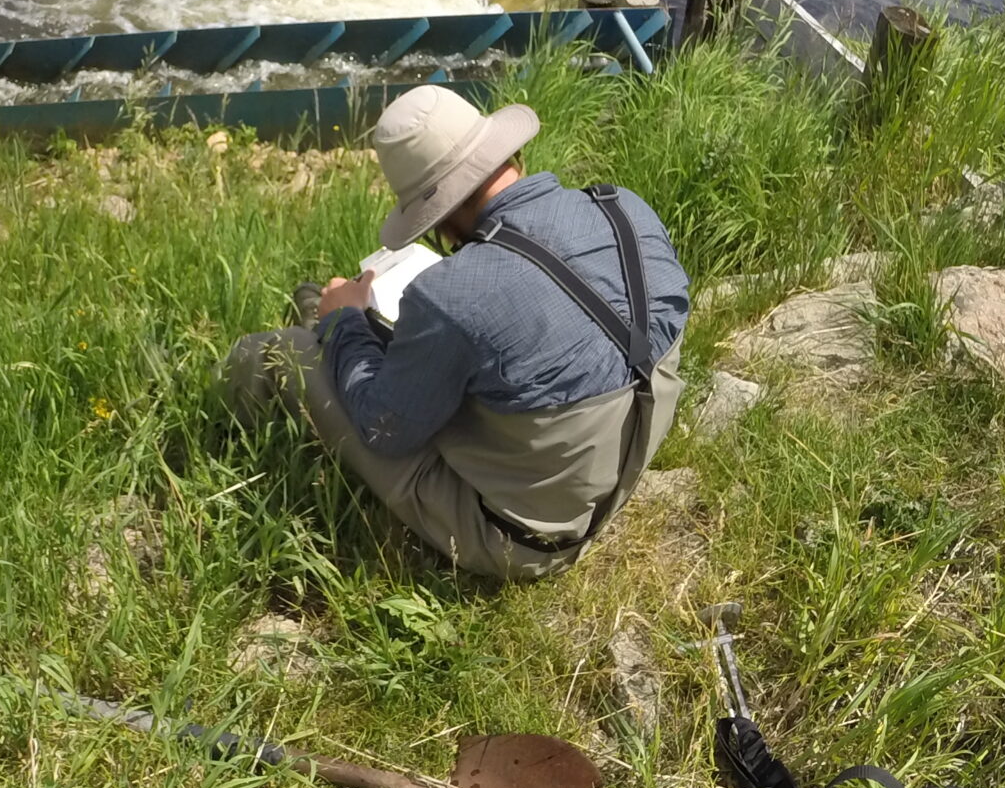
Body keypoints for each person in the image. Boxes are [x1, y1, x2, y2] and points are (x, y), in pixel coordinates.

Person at [222, 85, 688, 581]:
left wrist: (344, 322)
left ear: (442, 218)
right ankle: (329, 316)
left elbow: (384, 429)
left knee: (285, 350)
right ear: (511, 152)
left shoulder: (451, 294)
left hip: (521, 539)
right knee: (428, 347)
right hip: (613, 479)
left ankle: (229, 423)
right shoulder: (625, 209)